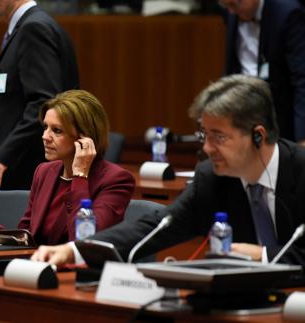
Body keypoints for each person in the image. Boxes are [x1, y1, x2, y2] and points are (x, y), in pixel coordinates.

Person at [32, 75, 305, 268]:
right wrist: (73, 250)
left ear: (258, 136)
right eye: (203, 135)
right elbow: (154, 227)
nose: (207, 148)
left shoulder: (301, 170)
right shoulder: (212, 178)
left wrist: (265, 256)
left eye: (218, 137)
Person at [0, 90, 135, 245]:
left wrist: (80, 176)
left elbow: (84, 241)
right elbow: (26, 237)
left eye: (57, 131)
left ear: (85, 138)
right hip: (38, 270)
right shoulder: (45, 172)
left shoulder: (115, 180)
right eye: (45, 127)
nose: (45, 136)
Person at [0, 0, 79, 192]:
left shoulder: (34, 27)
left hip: (24, 170)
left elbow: (43, 103)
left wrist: (3, 156)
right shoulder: (27, 26)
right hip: (20, 168)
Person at [220, 0, 305, 145]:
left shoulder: (287, 13)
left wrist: (302, 137)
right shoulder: (231, 12)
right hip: (243, 117)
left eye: (234, 4)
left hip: (278, 119)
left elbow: (301, 80)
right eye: (226, 5)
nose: (231, 11)